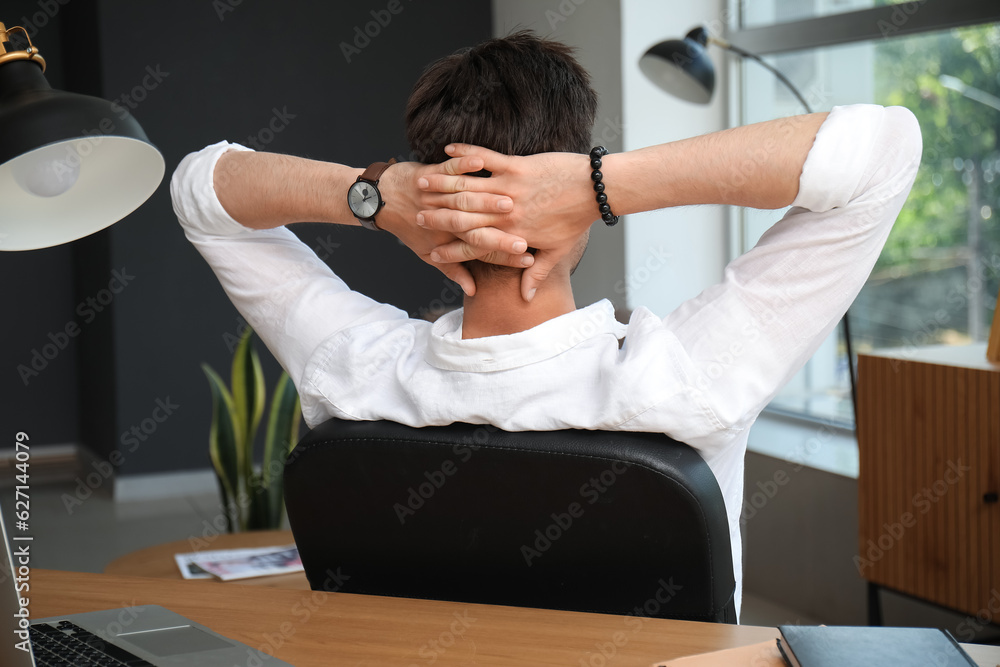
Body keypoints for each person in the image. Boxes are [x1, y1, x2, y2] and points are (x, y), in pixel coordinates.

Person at [171, 31, 922, 618]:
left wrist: (376, 195)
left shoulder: (353, 368)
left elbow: (201, 191)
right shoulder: (683, 380)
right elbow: (885, 152)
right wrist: (599, 184)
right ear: (569, 187)